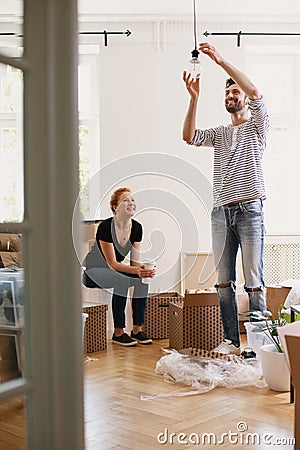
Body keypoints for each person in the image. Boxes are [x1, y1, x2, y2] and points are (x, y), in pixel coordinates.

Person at [182, 42, 270, 355]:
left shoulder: (258, 127)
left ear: (245, 98)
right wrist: (193, 99)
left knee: (254, 282)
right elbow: (189, 137)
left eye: (235, 92)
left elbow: (256, 91)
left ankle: (258, 344)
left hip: (250, 211)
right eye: (227, 93)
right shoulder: (219, 133)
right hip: (220, 213)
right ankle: (232, 342)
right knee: (223, 283)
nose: (231, 96)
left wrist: (220, 61)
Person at [82, 187, 155, 346]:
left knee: (143, 279)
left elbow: (134, 263)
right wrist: (136, 270)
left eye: (133, 200)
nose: (131, 203)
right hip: (93, 271)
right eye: (125, 200)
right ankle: (118, 332)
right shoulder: (105, 227)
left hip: (115, 271)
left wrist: (144, 270)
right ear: (115, 207)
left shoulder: (136, 228)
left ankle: (137, 330)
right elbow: (112, 264)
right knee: (122, 280)